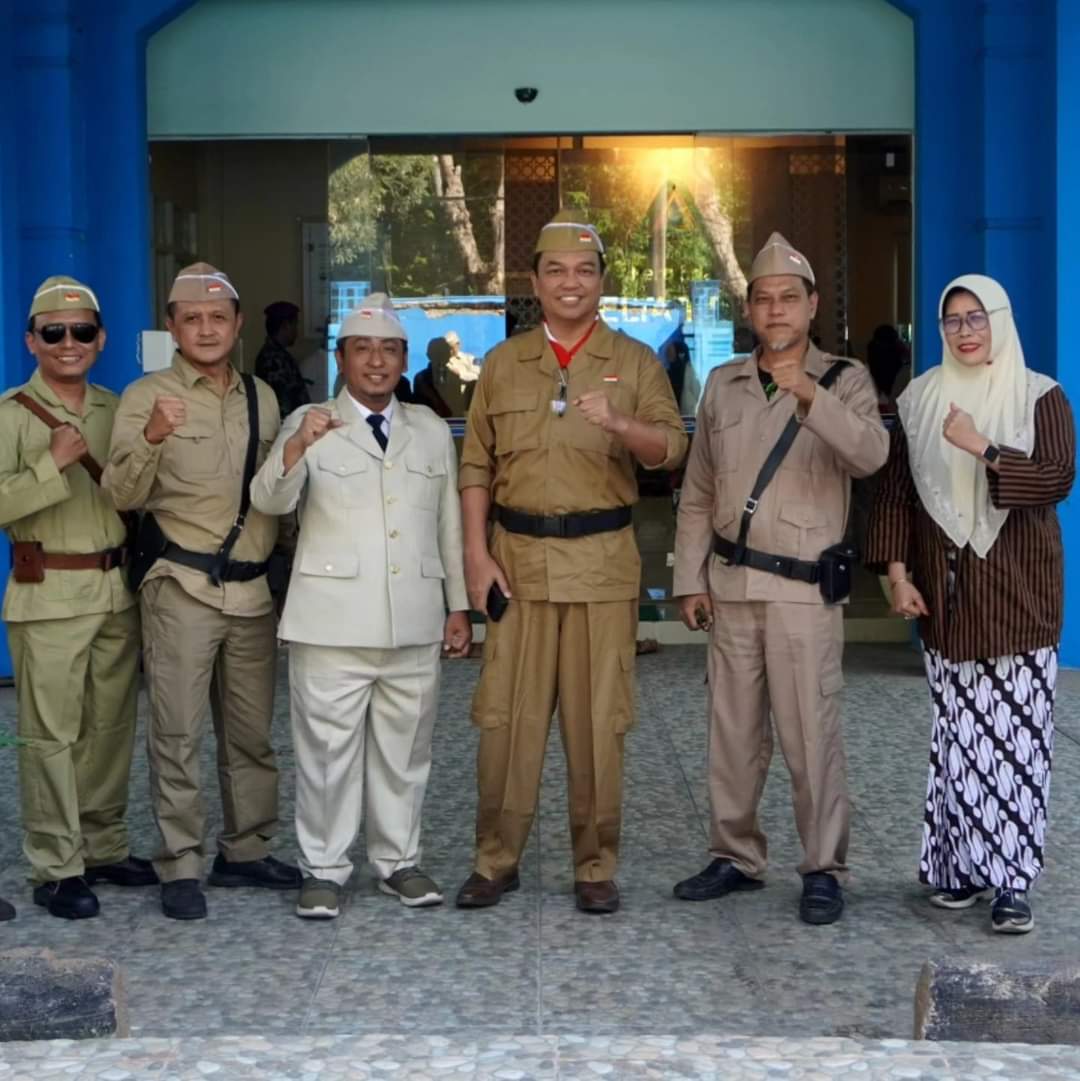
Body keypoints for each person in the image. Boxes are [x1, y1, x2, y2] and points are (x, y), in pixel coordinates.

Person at [456, 210, 687, 915]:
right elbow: (475, 465)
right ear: (534, 282)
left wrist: (621, 423)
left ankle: (594, 864)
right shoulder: (503, 363)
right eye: (555, 270)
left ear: (601, 283)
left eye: (584, 271)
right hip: (517, 565)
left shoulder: (636, 362)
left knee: (599, 725)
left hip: (600, 566)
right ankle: (496, 858)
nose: (570, 282)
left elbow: (671, 449)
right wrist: (473, 553)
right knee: (506, 722)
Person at [672, 232, 888, 925]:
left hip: (801, 594)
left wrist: (810, 398)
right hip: (733, 588)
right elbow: (699, 487)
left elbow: (871, 454)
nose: (775, 310)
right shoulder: (724, 382)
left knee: (809, 735)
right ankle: (734, 854)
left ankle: (823, 865)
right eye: (762, 299)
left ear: (811, 305)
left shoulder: (845, 378)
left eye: (788, 298)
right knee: (731, 735)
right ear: (752, 311)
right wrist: (689, 577)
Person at [867, 275, 1075, 934]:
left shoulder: (1040, 395)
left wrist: (984, 446)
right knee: (957, 739)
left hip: (1018, 596)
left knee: (1013, 743)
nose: (964, 331)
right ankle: (958, 868)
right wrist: (897, 576)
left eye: (976, 317)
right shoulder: (920, 399)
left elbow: (1056, 479)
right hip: (945, 596)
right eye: (952, 320)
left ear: (1000, 322)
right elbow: (897, 494)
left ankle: (1011, 880)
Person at [251, 293, 470, 919]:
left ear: (403, 359)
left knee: (407, 752)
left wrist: (458, 607)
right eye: (363, 349)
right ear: (341, 358)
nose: (377, 361)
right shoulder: (309, 419)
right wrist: (298, 449)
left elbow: (447, 524)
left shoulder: (429, 428)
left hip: (413, 616)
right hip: (331, 621)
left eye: (389, 350)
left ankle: (399, 861)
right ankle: (322, 868)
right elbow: (267, 501)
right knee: (325, 755)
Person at [104, 262, 300, 921]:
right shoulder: (145, 396)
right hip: (181, 587)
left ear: (238, 324)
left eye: (219, 317)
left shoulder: (262, 397)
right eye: (192, 318)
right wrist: (155, 435)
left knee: (251, 735)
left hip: (251, 593)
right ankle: (180, 860)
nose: (207, 328)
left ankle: (244, 849)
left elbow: (278, 494)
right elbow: (120, 495)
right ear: (173, 325)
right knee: (178, 731)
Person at [0, 276, 156, 920]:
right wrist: (52, 463)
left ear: (102, 339)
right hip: (49, 595)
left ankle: (103, 844)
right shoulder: (10, 414)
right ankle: (56, 864)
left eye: (83, 332)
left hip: (114, 591)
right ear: (31, 341)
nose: (70, 343)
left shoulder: (117, 408)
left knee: (111, 728)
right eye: (55, 333)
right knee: (52, 737)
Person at [255, 300, 311, 418]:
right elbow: (281, 403)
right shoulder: (273, 359)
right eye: (295, 324)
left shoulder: (278, 355)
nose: (297, 331)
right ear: (286, 325)